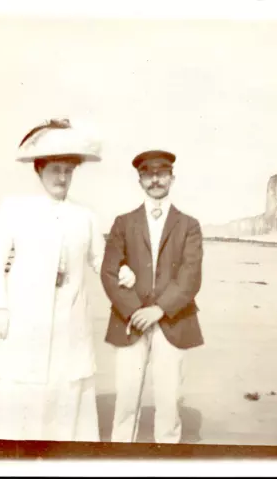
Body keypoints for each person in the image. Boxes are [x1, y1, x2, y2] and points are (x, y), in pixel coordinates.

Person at [0, 118, 135, 442]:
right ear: (39, 169)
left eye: (68, 170)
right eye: (55, 169)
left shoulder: (85, 215)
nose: (62, 177)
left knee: (65, 395)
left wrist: (123, 270)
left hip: (69, 323)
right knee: (19, 394)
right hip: (21, 321)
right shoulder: (14, 208)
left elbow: (100, 260)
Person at [100, 149, 205, 444]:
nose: (155, 179)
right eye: (148, 174)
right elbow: (108, 272)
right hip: (129, 321)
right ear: (140, 180)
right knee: (126, 400)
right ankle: (120, 461)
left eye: (161, 173)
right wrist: (136, 311)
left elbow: (191, 275)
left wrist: (159, 310)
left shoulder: (190, 225)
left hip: (172, 320)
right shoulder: (123, 223)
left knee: (170, 401)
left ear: (172, 177)